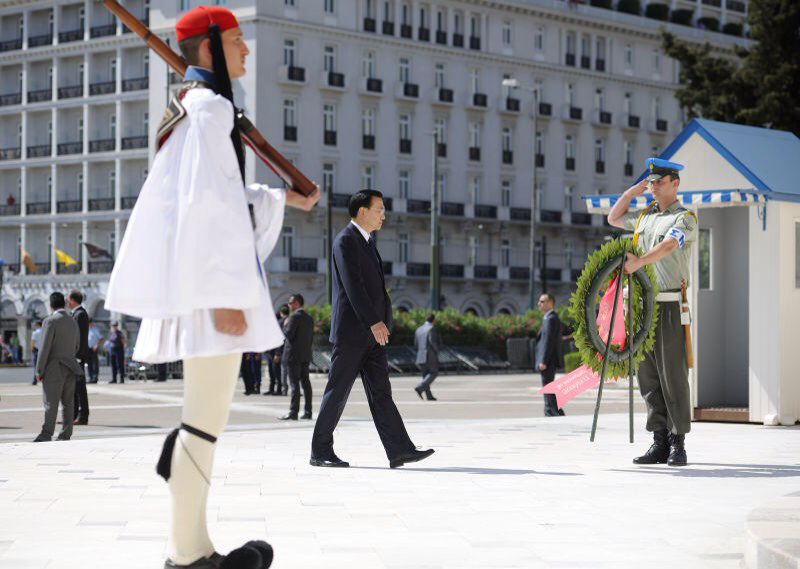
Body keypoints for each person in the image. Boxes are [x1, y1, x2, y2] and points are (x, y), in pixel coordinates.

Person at [104, 6, 319, 568]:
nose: (246, 49)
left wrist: (282, 199)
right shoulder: (210, 110)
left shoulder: (194, 107)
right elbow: (205, 205)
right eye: (237, 40)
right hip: (212, 287)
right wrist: (226, 297)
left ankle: (194, 548)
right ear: (209, 47)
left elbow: (216, 198)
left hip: (203, 281)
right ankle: (186, 555)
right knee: (202, 423)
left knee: (201, 421)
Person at [310, 190, 434, 469]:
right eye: (379, 210)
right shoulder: (345, 241)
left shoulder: (367, 242)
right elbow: (353, 287)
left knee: (381, 392)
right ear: (362, 211)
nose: (383, 216)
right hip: (353, 333)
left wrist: (383, 322)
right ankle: (320, 451)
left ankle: (400, 450)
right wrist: (373, 321)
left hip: (374, 335)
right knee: (337, 391)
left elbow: (377, 290)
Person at [608, 157, 697, 467]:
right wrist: (630, 193)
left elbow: (670, 246)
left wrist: (640, 262)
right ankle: (659, 441)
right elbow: (613, 218)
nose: (654, 187)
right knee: (647, 375)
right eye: (651, 182)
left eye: (660, 182)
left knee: (673, 375)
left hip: (670, 304)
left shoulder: (684, 218)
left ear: (675, 183)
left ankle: (677, 442)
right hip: (642, 305)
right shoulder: (645, 217)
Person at [33, 292, 82, 442]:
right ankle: (65, 434)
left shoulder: (50, 321)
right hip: (71, 366)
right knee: (68, 403)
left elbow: (44, 348)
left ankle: (46, 433)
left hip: (54, 368)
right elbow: (77, 345)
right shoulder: (73, 321)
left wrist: (39, 370)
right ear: (65, 304)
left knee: (51, 403)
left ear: (50, 305)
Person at [280, 294, 314, 421]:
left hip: (293, 356)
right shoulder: (309, 318)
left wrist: (285, 324)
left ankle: (293, 412)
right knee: (306, 384)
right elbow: (311, 338)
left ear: (296, 303)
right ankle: (308, 411)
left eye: (290, 303)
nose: (289, 305)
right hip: (305, 355)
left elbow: (288, 335)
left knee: (294, 384)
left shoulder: (294, 317)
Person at [535, 293, 565, 417]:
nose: (539, 304)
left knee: (548, 386)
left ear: (550, 303)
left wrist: (543, 361)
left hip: (548, 360)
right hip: (549, 360)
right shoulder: (549, 317)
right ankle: (554, 411)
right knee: (548, 387)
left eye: (542, 301)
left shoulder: (551, 318)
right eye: (540, 301)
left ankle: (551, 412)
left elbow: (548, 341)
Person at [68, 290, 90, 425]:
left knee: (80, 387)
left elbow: (80, 337)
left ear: (72, 300)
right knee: (74, 387)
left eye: (68, 299)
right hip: (73, 356)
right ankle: (73, 414)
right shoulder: (75, 313)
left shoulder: (80, 314)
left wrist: (77, 356)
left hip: (77, 357)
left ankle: (83, 416)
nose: (67, 301)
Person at [413, 314, 440, 401]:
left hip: (420, 355)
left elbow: (416, 344)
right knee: (433, 373)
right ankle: (420, 387)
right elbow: (432, 341)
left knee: (425, 375)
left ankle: (429, 396)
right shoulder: (431, 329)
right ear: (433, 320)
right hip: (429, 355)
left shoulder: (418, 329)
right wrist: (437, 351)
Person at [277, 304, 290, 396]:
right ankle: (296, 389)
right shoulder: (293, 319)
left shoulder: (280, 322)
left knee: (284, 371)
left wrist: (277, 353)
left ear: (281, 313)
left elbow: (279, 338)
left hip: (283, 350)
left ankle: (284, 389)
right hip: (294, 349)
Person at [86, 319, 102, 383]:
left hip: (94, 348)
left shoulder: (95, 330)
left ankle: (95, 377)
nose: (89, 324)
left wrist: (96, 345)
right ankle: (90, 377)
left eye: (90, 323)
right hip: (87, 349)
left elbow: (100, 339)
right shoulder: (86, 330)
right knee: (89, 364)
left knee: (94, 363)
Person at [30, 321, 42, 385]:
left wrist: (31, 350)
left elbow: (33, 342)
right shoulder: (44, 331)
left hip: (36, 350)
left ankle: (35, 380)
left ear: (37, 325)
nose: (34, 326)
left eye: (35, 325)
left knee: (35, 366)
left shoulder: (35, 333)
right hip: (43, 350)